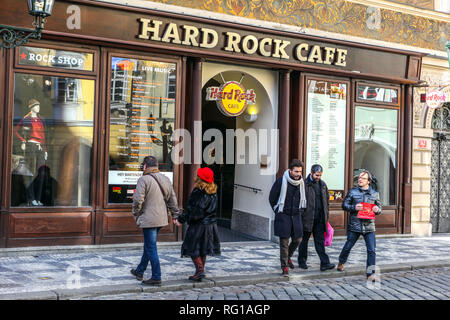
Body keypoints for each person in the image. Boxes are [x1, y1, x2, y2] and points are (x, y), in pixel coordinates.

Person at [130, 156, 180, 286]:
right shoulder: (166, 179)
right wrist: (175, 214)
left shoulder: (143, 180)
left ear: (145, 166)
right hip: (161, 219)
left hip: (149, 219)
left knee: (151, 247)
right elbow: (172, 199)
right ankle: (140, 271)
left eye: (143, 165)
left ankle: (156, 276)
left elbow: (137, 200)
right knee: (149, 245)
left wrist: (136, 212)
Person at [173, 167, 221, 281]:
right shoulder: (213, 191)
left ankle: (200, 271)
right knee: (203, 249)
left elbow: (192, 210)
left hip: (199, 225)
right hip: (210, 225)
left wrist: (180, 219)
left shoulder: (198, 192)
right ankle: (199, 272)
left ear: (200, 178)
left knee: (191, 247)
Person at [337, 170, 382, 282]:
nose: (360, 179)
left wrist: (377, 210)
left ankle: (370, 274)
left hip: (369, 226)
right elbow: (344, 205)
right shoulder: (352, 192)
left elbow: (379, 208)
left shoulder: (374, 194)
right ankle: (341, 261)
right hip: (355, 225)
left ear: (369, 181)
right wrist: (354, 207)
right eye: (359, 178)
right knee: (348, 247)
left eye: (363, 178)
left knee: (371, 250)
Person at [269, 159, 307, 275]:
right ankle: (284, 266)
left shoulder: (302, 183)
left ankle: (288, 256)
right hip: (284, 215)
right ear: (290, 171)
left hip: (296, 216)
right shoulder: (281, 181)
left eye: (300, 172)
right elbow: (272, 198)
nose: (298, 174)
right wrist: (277, 210)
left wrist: (301, 212)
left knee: (298, 239)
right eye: (296, 172)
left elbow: (304, 199)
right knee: (284, 243)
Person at [298, 164, 335, 271]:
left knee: (319, 242)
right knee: (304, 242)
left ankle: (324, 263)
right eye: (316, 175)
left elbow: (326, 202)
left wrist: (326, 216)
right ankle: (302, 261)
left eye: (320, 175)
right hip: (307, 219)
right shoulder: (304, 184)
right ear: (311, 173)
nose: (318, 177)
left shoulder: (323, 185)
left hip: (319, 219)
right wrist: (301, 216)